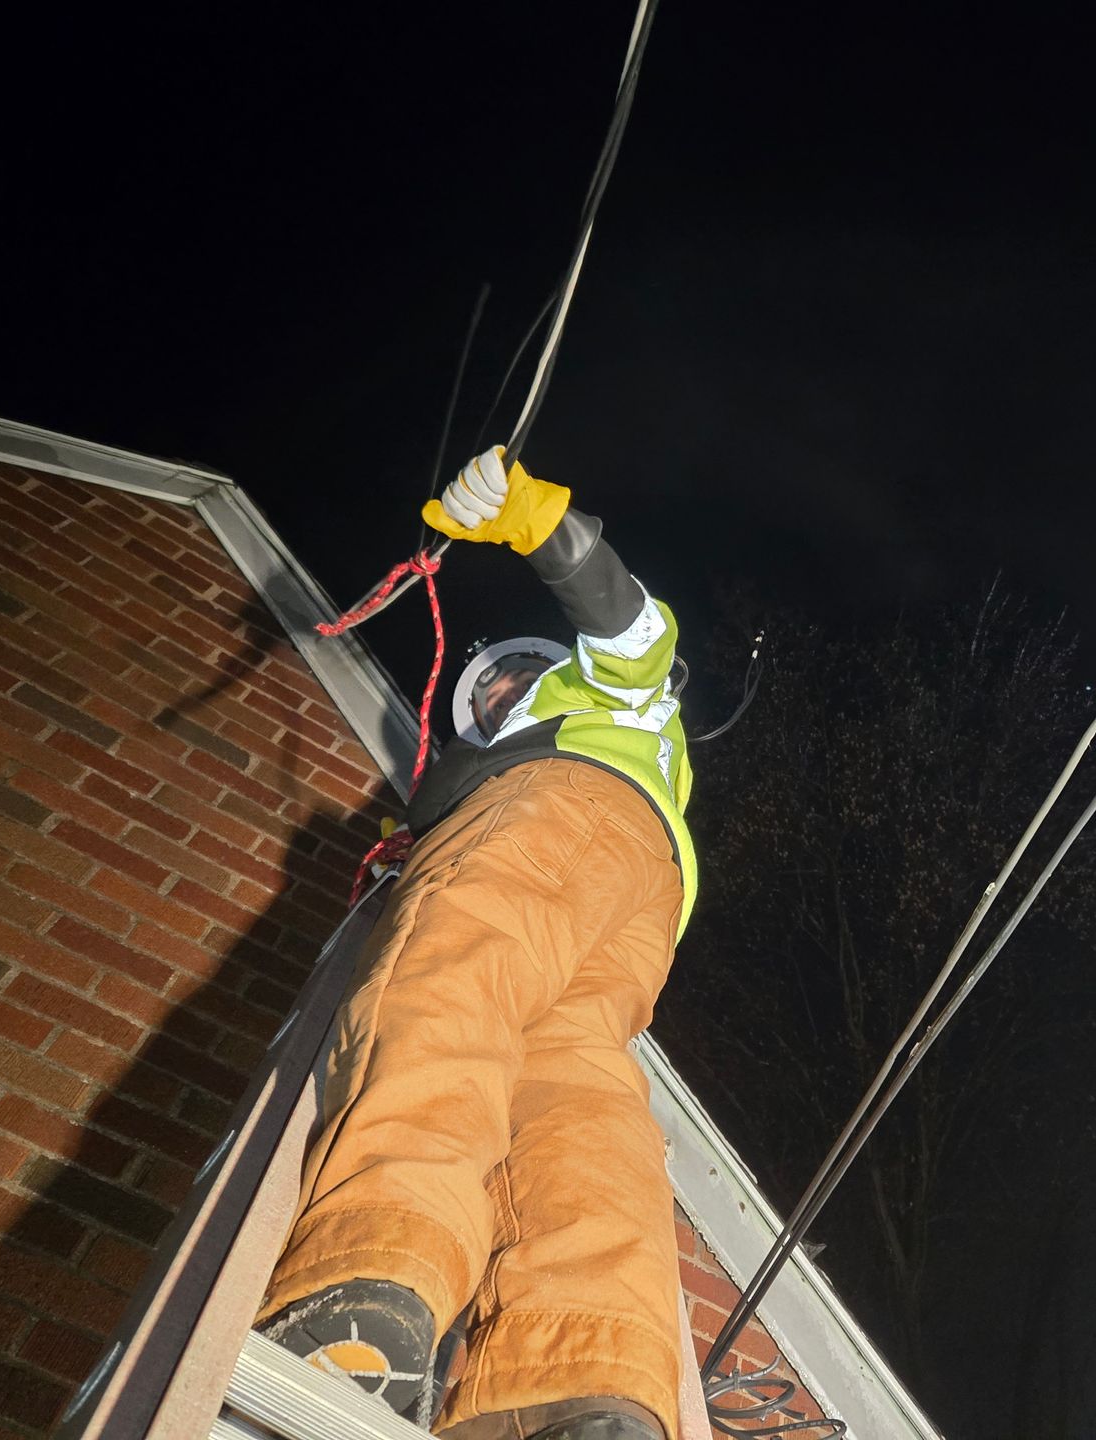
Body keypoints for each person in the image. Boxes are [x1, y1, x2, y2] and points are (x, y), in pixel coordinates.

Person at [256, 446, 697, 1440]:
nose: (495, 699)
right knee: (568, 1085)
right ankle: (578, 1378)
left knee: (448, 976)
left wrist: (540, 522)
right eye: (480, 700)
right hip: (635, 903)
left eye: (509, 685)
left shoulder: (602, 701)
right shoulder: (637, 748)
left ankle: (373, 1276)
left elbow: (631, 631)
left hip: (556, 820)